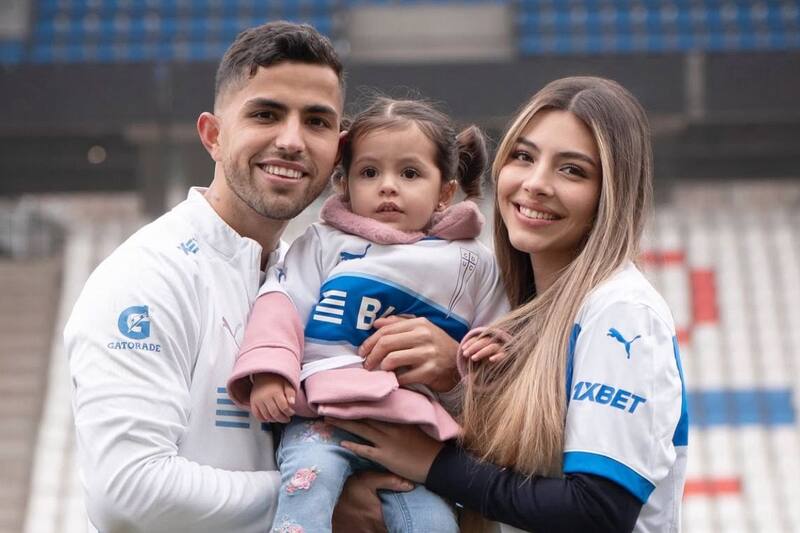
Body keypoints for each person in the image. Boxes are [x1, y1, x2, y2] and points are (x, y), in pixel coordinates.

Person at [64, 22, 449, 533]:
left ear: (337, 148)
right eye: (266, 114)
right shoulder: (147, 276)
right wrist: (319, 496)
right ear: (214, 136)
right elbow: (129, 491)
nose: (291, 141)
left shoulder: (318, 275)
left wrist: (451, 368)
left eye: (315, 121)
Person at [329, 77, 689, 533]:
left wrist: (434, 464)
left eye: (572, 170)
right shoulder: (517, 306)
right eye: (524, 156)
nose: (535, 184)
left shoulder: (620, 310)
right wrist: (453, 381)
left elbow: (596, 511)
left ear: (612, 194)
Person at [226, 97, 509, 533]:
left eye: (410, 173)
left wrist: (464, 365)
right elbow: (279, 304)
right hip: (323, 417)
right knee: (307, 494)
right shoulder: (322, 244)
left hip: (415, 435)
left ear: (445, 191)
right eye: (369, 172)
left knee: (435, 524)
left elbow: (495, 346)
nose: (387, 186)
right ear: (345, 185)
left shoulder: (473, 262)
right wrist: (268, 371)